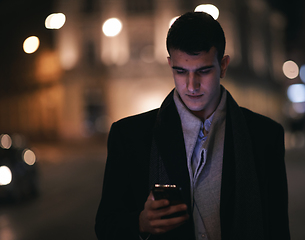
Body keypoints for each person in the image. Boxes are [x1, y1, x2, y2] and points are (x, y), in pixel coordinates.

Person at [95, 11, 290, 240]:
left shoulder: (265, 136)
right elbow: (106, 226)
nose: (191, 85)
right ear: (170, 65)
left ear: (223, 66)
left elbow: (277, 229)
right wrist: (140, 223)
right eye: (181, 71)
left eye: (203, 71)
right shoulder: (129, 136)